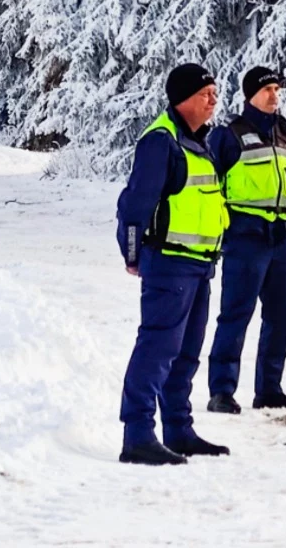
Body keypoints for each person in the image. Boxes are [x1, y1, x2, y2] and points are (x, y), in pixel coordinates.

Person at [115, 64, 233, 466]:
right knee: (158, 348)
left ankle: (179, 430)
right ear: (182, 99)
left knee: (186, 352)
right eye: (205, 94)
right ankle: (137, 435)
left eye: (215, 93)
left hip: (200, 266)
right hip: (169, 265)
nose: (213, 100)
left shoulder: (202, 142)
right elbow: (134, 205)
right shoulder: (161, 141)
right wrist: (132, 254)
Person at [205, 66, 286, 414]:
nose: (274, 95)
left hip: (282, 242)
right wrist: (227, 231)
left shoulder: (284, 133)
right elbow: (210, 188)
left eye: (277, 89)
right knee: (235, 315)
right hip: (246, 243)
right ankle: (221, 390)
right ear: (251, 94)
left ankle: (269, 389)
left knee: (282, 316)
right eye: (267, 90)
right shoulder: (229, 135)